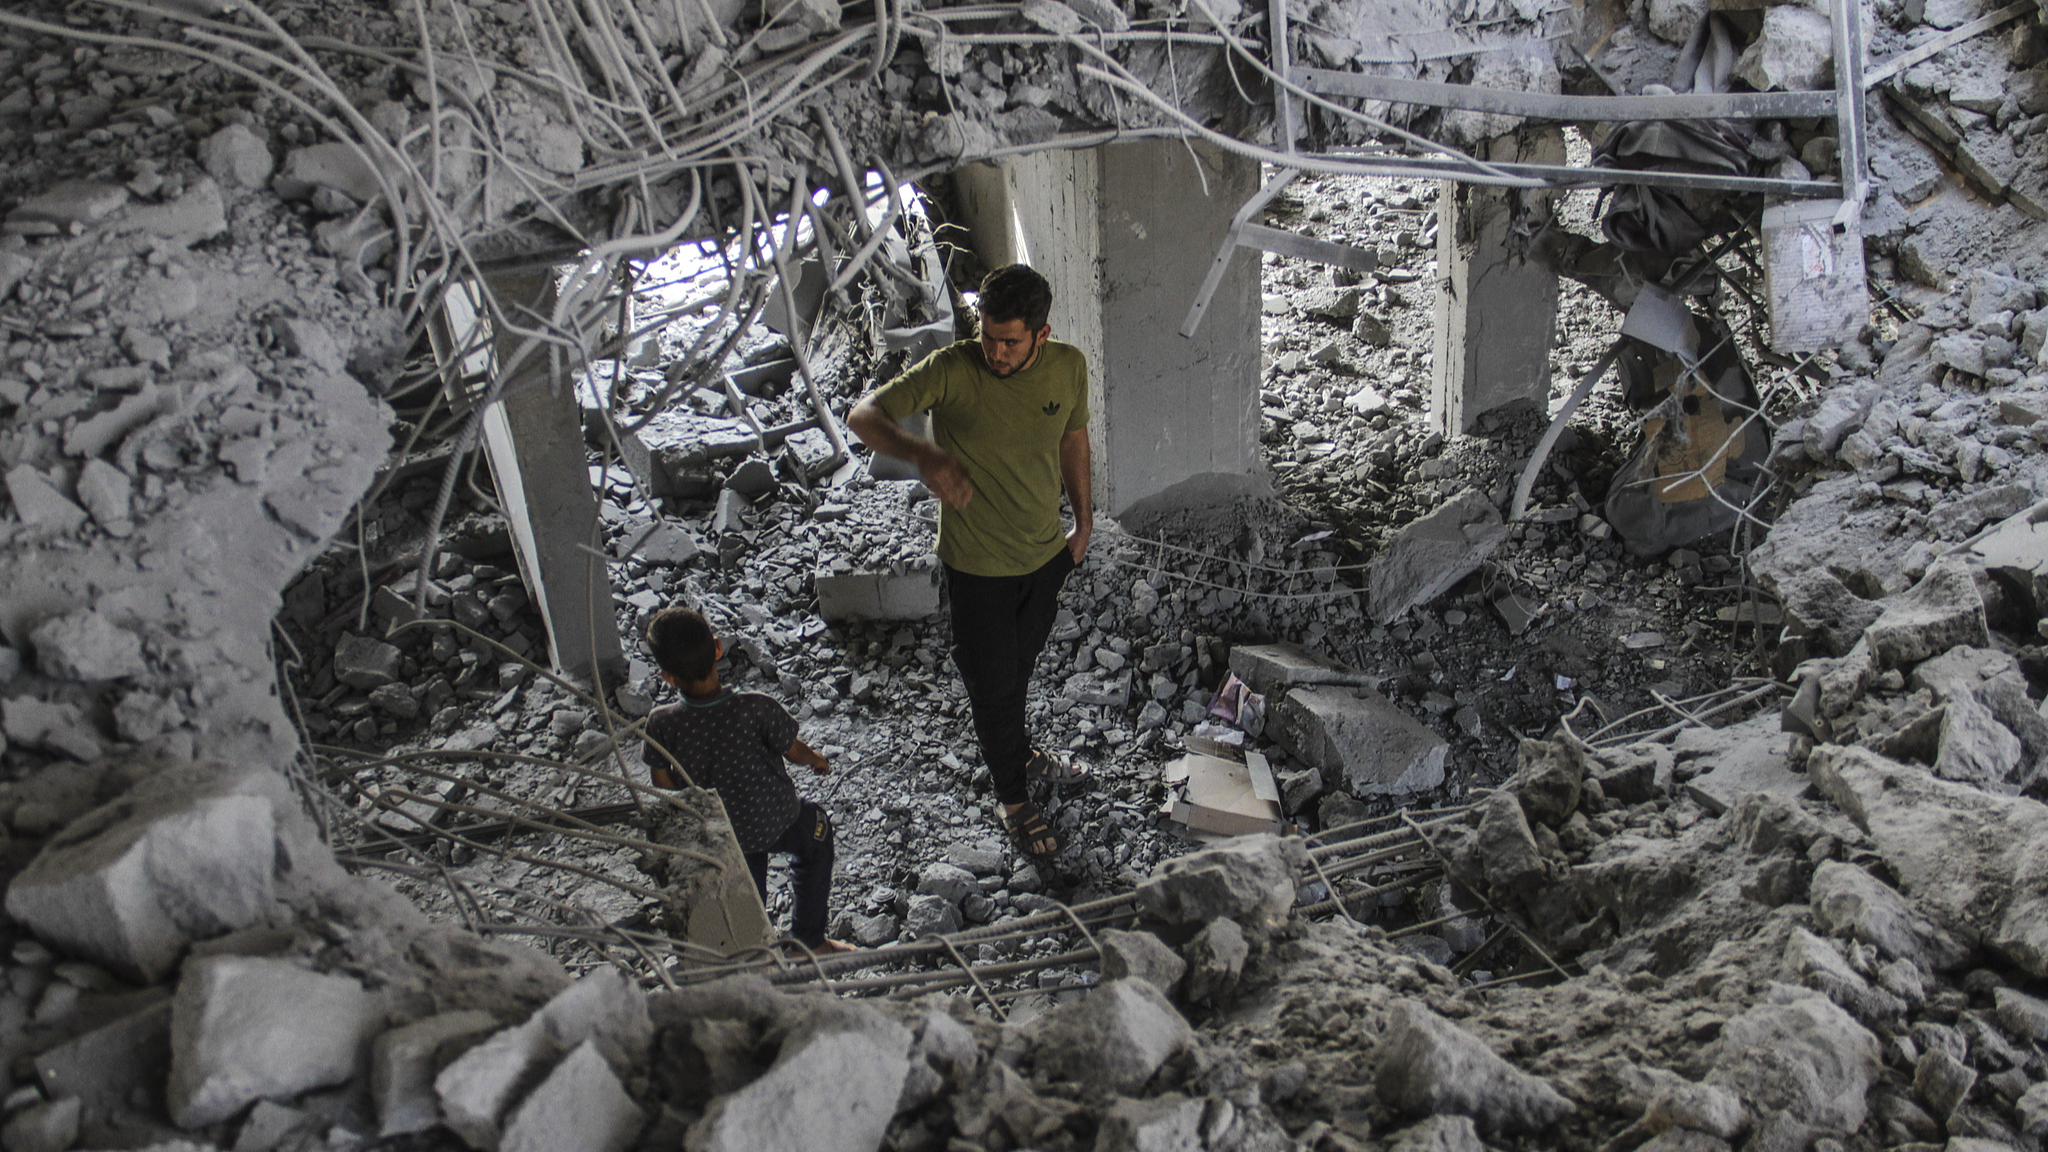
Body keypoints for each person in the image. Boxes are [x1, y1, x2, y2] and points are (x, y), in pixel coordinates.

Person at [847, 263, 1092, 860]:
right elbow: (864, 415)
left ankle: (1017, 749)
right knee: (992, 683)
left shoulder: (1069, 367)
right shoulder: (953, 368)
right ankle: (1012, 796)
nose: (996, 351)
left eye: (1009, 341)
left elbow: (1072, 438)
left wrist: (1082, 524)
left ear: (1043, 333)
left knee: (1020, 668)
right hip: (976, 567)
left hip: (1044, 557)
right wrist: (922, 456)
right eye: (987, 336)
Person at [640, 606, 850, 953]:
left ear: (667, 677)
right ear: (718, 649)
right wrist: (816, 760)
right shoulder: (756, 707)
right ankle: (809, 940)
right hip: (780, 818)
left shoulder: (661, 724)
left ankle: (752, 953)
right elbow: (793, 750)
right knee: (818, 833)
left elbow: (662, 783)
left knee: (746, 898)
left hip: (722, 839)